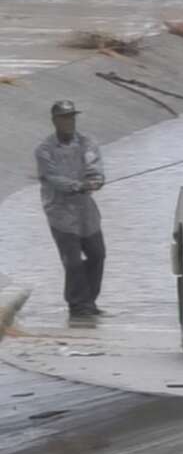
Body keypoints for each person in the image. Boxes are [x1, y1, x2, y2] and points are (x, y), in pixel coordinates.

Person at [35, 100, 107, 324]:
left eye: (72, 117)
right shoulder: (44, 150)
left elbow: (95, 167)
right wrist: (76, 185)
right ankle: (77, 305)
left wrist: (96, 180)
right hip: (60, 213)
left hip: (86, 211)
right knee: (73, 261)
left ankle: (88, 302)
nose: (69, 122)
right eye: (65, 118)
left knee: (98, 254)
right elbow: (52, 178)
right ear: (55, 121)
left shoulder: (87, 143)